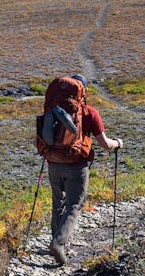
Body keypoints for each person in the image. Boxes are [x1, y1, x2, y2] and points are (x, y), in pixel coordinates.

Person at [46, 74, 122, 266]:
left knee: (58, 202)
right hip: (76, 166)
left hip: (53, 162)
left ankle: (55, 239)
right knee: (74, 205)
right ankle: (58, 243)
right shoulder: (89, 113)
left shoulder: (52, 109)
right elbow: (104, 143)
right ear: (82, 92)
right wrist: (118, 143)